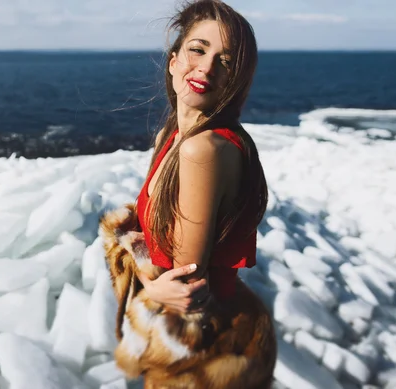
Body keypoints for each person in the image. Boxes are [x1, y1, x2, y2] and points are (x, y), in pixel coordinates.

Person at [102, 1, 277, 388]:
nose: (207, 67)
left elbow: (185, 286)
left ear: (237, 80)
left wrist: (145, 281)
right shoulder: (173, 135)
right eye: (198, 49)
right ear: (173, 59)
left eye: (226, 61)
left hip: (205, 353)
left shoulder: (204, 150)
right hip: (196, 339)